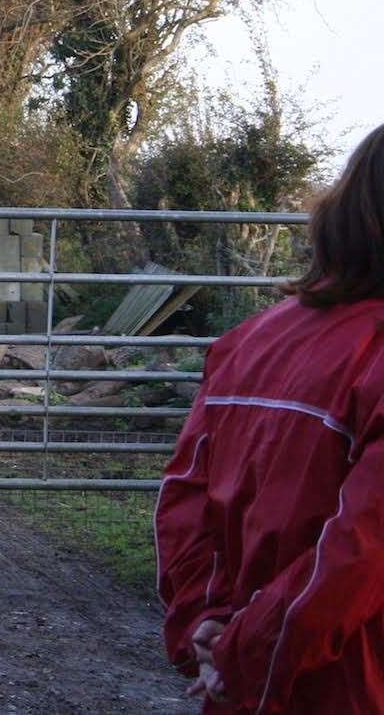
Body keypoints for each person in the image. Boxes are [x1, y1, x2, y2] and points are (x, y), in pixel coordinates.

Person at [155, 122, 384, 713]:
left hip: (247, 678)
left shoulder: (250, 341)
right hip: (346, 680)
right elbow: (361, 547)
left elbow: (185, 499)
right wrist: (254, 650)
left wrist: (212, 624)